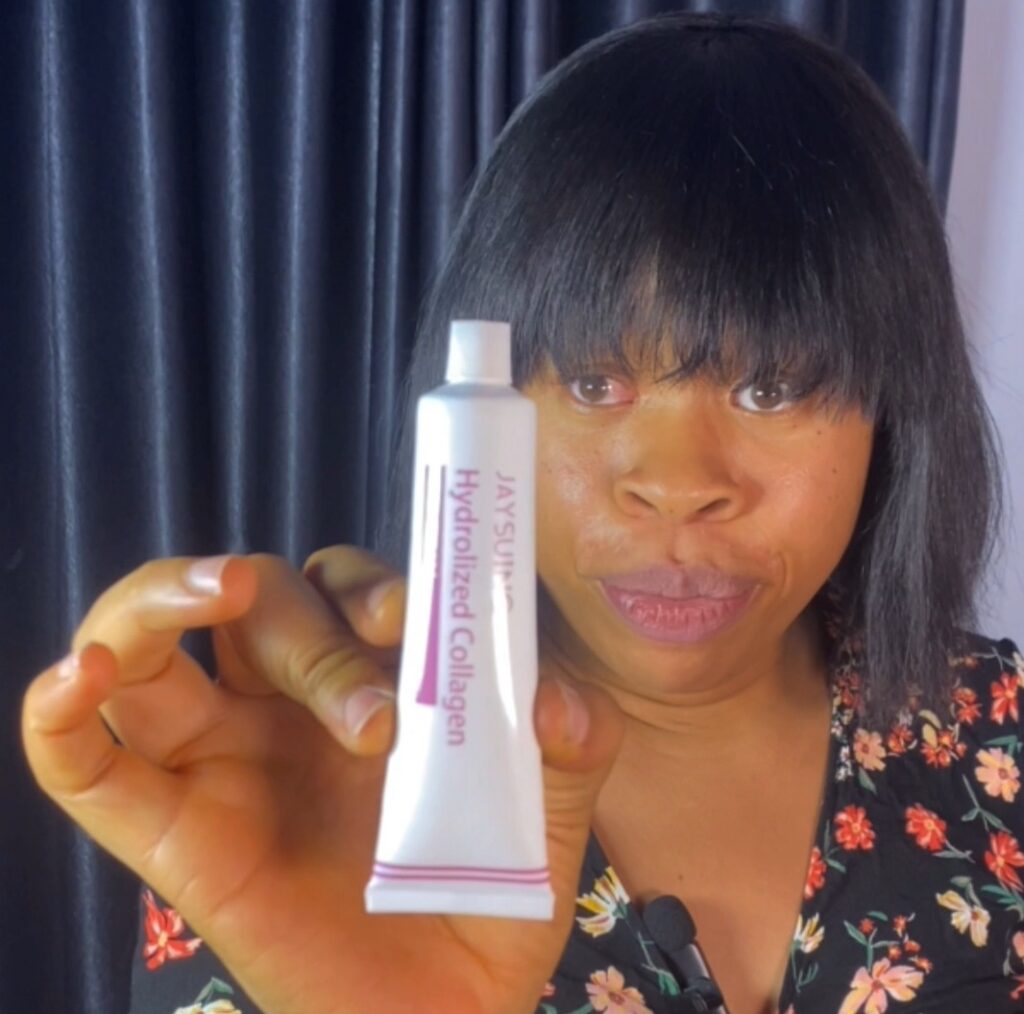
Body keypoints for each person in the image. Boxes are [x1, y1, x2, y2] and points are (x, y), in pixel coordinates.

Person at [20, 12, 1024, 1014]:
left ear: (892, 413)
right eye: (592, 382)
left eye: (772, 389)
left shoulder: (1000, 739)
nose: (676, 483)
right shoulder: (318, 800)